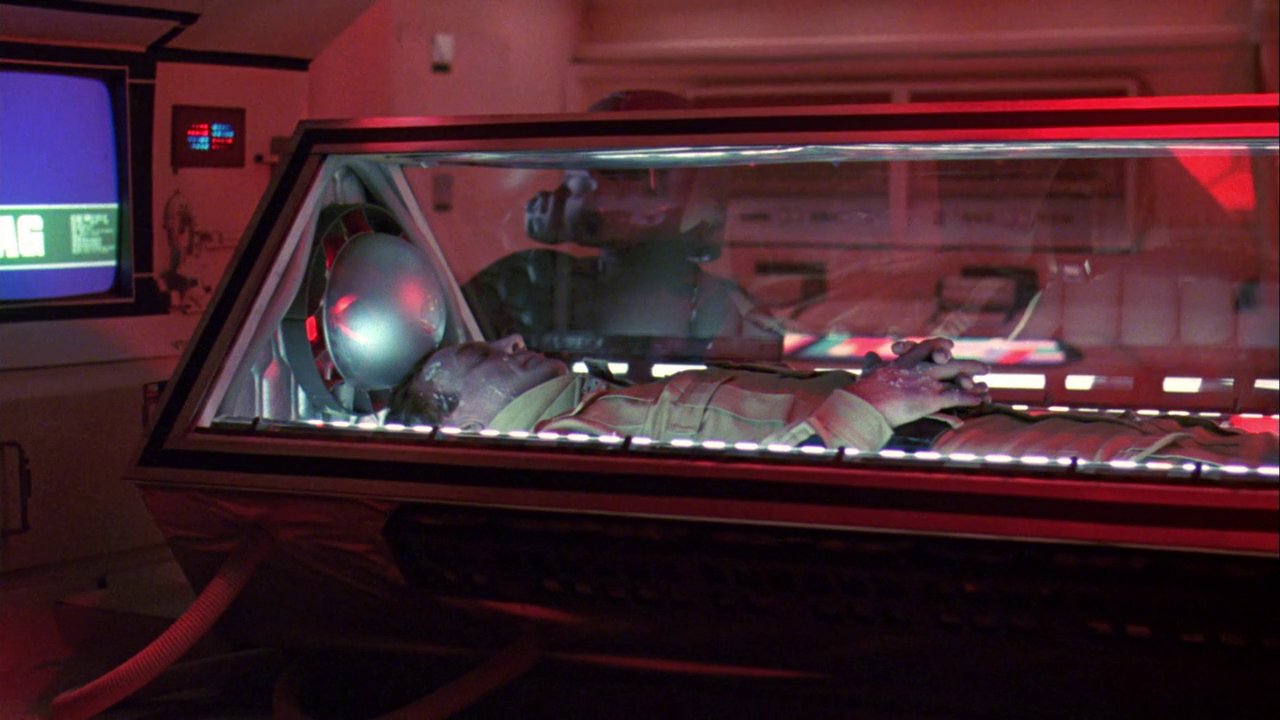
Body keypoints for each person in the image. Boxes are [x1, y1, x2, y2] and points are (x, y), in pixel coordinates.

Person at [387, 335, 1279, 467]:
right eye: (485, 354)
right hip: (910, 461)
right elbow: (730, 502)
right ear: (457, 409)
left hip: (916, 437)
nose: (511, 341)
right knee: (1157, 460)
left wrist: (893, 387)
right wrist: (873, 405)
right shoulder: (557, 448)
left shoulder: (588, 405)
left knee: (1159, 443)